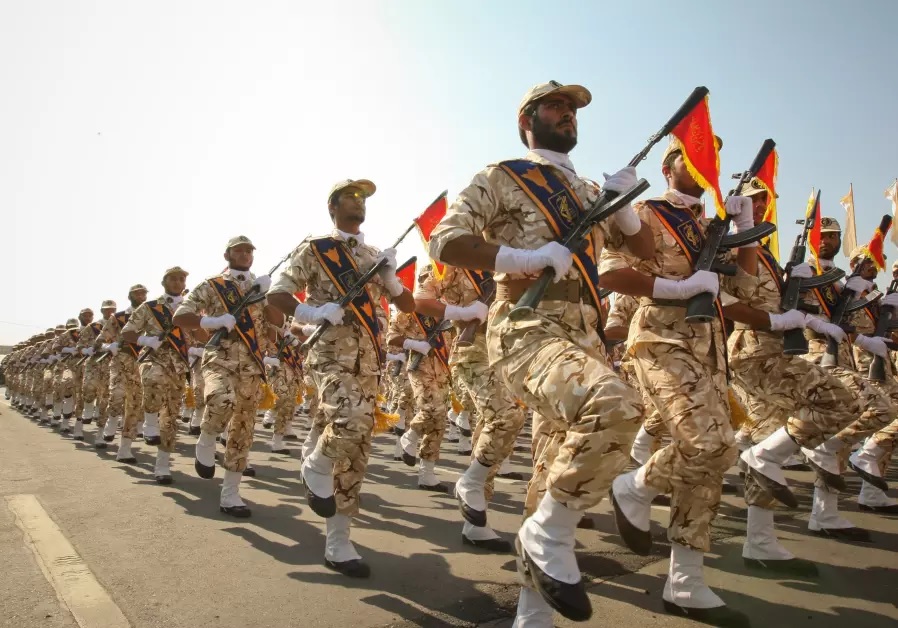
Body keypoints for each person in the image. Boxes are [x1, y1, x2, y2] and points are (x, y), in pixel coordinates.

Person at [428, 81, 651, 624]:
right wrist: (521, 258)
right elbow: (445, 240)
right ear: (527, 120)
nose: (567, 115)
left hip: (584, 334)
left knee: (554, 470)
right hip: (526, 325)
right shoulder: (502, 176)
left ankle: (533, 613)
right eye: (555, 107)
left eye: (572, 110)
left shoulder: (591, 191)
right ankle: (547, 532)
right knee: (617, 406)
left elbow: (644, 255)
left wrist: (627, 214)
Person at [600, 137, 757, 625]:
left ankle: (685, 580)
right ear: (669, 169)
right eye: (691, 157)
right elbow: (610, 273)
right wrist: (677, 286)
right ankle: (635, 486)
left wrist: (746, 226)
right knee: (706, 443)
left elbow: (745, 285)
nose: (702, 166)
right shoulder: (644, 212)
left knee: (715, 452)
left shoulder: (713, 226)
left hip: (708, 348)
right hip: (660, 341)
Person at [268, 178, 416, 578]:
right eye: (351, 196)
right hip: (331, 354)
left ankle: (338, 540)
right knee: (351, 422)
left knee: (356, 448)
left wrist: (390, 277)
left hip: (370, 361)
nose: (359, 202)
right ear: (333, 206)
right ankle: (314, 465)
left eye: (364, 197)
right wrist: (312, 313)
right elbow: (278, 296)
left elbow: (407, 303)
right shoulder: (315, 249)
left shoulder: (373, 254)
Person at [173, 236, 277, 517]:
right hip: (219, 358)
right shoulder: (213, 285)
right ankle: (206, 438)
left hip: (252, 367)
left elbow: (275, 325)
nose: (244, 254)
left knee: (243, 430)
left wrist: (272, 296)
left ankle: (230, 494)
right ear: (227, 254)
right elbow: (181, 316)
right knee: (220, 400)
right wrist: (212, 321)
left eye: (248, 251)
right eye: (238, 250)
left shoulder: (261, 289)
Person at [121, 267, 192, 484]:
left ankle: (162, 465)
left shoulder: (190, 308)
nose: (178, 282)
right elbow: (127, 332)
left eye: (182, 279)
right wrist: (146, 340)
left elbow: (200, 334)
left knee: (171, 417)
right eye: (173, 278)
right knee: (152, 381)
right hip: (154, 358)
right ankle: (149, 422)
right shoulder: (150, 307)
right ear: (164, 282)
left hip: (179, 365)